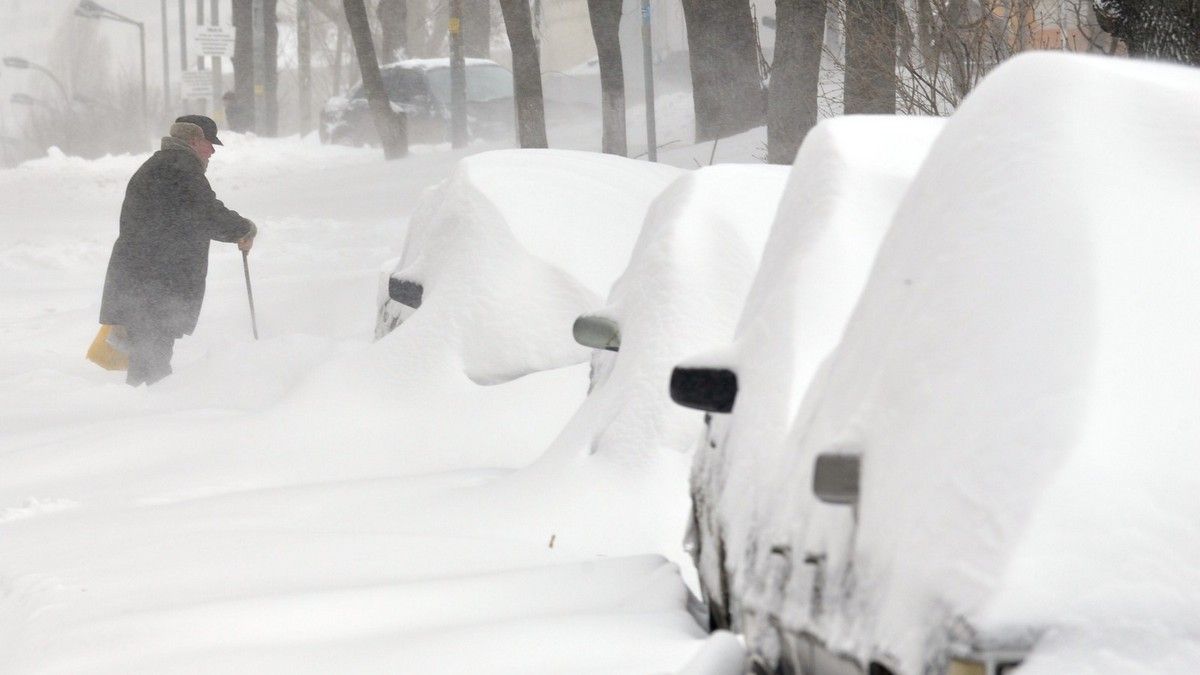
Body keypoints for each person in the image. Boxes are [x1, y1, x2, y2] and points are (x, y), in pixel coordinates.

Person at [99, 115, 256, 386]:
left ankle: (145, 413)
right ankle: (156, 418)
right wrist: (243, 229)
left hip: (142, 281)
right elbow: (207, 214)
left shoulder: (158, 165)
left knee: (146, 360)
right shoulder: (180, 169)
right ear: (194, 141)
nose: (213, 150)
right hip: (158, 283)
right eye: (210, 143)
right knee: (154, 364)